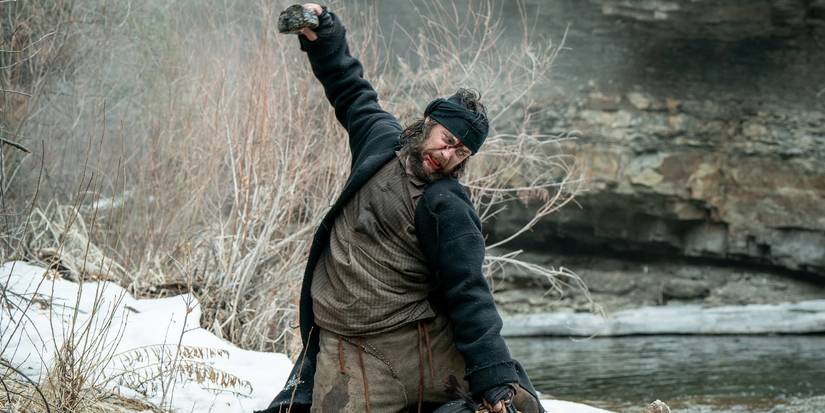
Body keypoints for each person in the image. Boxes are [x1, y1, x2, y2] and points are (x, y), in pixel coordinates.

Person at [259, 4, 544, 413]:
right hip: (349, 344)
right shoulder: (380, 143)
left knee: (512, 405)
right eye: (447, 139)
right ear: (428, 122)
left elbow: (469, 291)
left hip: (418, 341)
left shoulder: (446, 204)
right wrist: (323, 32)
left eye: (461, 152)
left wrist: (495, 379)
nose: (448, 155)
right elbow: (350, 88)